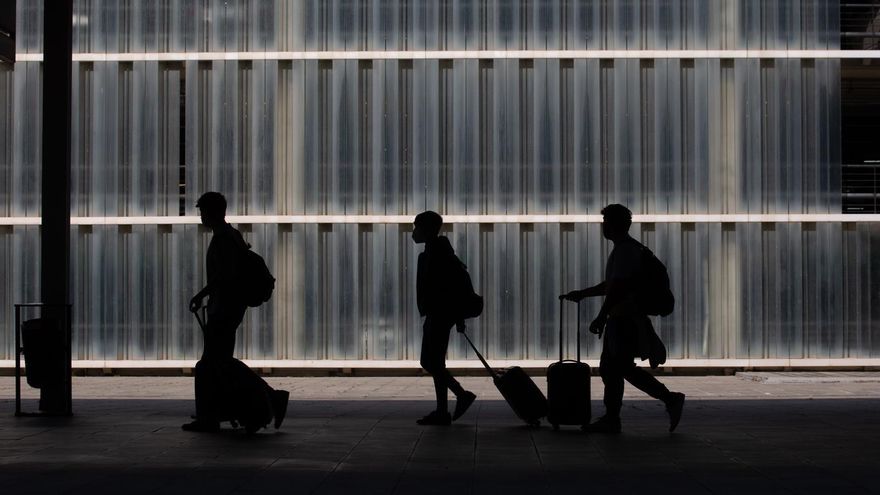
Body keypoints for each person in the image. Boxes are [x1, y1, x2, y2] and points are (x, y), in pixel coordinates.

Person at [560, 204, 685, 433]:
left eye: (606, 221)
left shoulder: (626, 251)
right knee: (614, 368)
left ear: (615, 224)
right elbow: (612, 285)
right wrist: (583, 294)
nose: (603, 226)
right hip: (622, 318)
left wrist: (600, 316)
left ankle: (661, 401)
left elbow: (617, 288)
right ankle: (618, 415)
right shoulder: (627, 249)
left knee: (616, 368)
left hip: (624, 320)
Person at [183, 191, 288, 432]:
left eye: (203, 211)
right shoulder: (233, 235)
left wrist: (201, 295)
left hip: (224, 310)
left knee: (212, 363)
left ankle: (270, 399)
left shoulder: (223, 239)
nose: (201, 217)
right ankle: (218, 413)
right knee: (217, 363)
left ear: (212, 212)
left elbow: (224, 277)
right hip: (230, 308)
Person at [412, 211, 477, 426]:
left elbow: (451, 289)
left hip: (440, 314)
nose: (414, 232)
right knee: (433, 361)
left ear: (428, 229)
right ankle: (444, 409)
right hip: (439, 314)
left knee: (430, 361)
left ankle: (458, 397)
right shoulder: (438, 252)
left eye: (416, 227)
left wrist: (456, 317)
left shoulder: (438, 255)